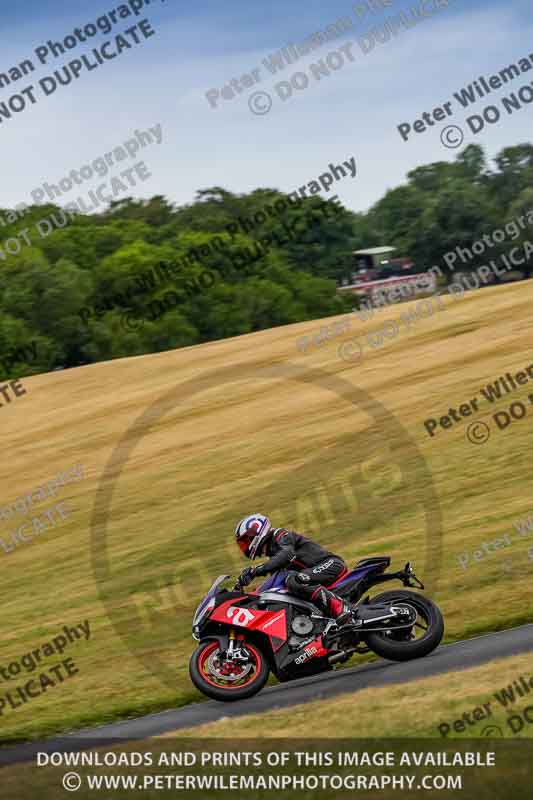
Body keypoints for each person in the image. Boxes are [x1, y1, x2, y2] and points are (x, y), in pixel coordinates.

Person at [235, 513, 355, 626]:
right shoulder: (273, 554)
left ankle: (340, 607)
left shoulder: (281, 535)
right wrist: (249, 597)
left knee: (295, 580)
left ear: (256, 532)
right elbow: (273, 582)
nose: (245, 546)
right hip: (313, 575)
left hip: (331, 564)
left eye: (246, 541)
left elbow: (286, 555)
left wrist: (254, 571)